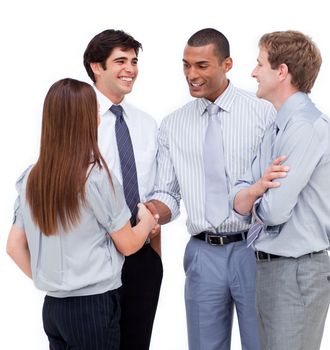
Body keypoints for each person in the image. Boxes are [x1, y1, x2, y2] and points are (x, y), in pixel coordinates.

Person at [147, 28, 275, 350]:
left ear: (227, 64)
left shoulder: (262, 113)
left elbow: (277, 184)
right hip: (203, 253)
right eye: (186, 65)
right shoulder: (173, 124)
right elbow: (168, 194)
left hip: (255, 249)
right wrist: (151, 212)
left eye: (202, 65)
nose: (191, 74)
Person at [6, 78, 158, 350]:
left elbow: (14, 246)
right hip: (92, 307)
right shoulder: (96, 177)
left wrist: (56, 282)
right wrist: (146, 221)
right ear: (86, 119)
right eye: (94, 110)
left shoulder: (31, 177)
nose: (99, 116)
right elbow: (128, 243)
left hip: (53, 308)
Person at [231, 30, 330, 350]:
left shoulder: (304, 127)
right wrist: (256, 191)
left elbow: (272, 211)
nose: (253, 72)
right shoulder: (277, 125)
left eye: (260, 64)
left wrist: (253, 199)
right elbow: (240, 191)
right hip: (272, 269)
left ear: (282, 71)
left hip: (296, 271)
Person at [83, 29, 163, 350]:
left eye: (134, 61)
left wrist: (154, 257)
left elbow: (153, 192)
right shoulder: (77, 119)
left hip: (141, 256)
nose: (130, 68)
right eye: (120, 61)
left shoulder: (145, 123)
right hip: (96, 255)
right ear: (96, 67)